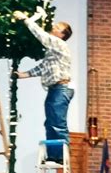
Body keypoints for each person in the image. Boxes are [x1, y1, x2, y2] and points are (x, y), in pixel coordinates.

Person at [14, 10, 73, 163]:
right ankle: (53, 155)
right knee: (50, 123)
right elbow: (43, 67)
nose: (54, 26)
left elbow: (43, 37)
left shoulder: (59, 44)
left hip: (60, 89)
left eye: (58, 27)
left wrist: (27, 20)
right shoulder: (53, 51)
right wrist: (24, 74)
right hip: (55, 90)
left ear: (62, 35)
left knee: (58, 123)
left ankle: (62, 157)